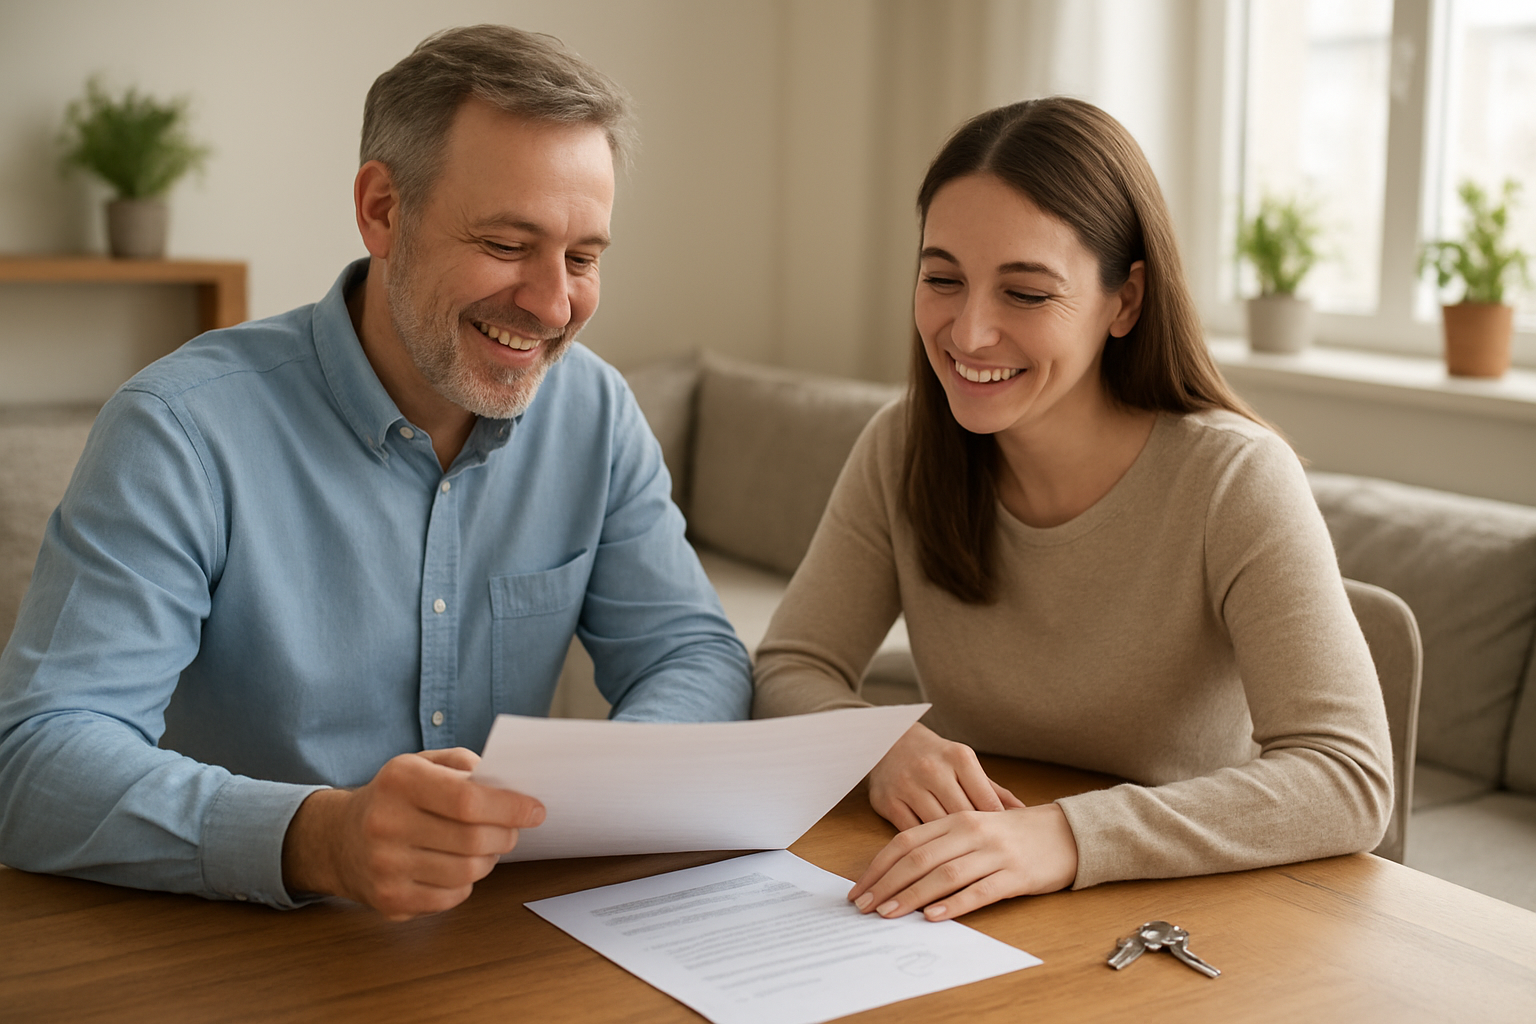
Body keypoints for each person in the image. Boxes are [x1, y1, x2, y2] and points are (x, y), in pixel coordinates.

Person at [0, 26, 751, 919]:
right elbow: (36, 759)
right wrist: (319, 838)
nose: (554, 305)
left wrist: (607, 787)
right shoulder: (178, 430)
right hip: (239, 942)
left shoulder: (594, 412)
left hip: (499, 938)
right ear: (383, 210)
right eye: (507, 243)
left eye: (583, 257)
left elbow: (693, 654)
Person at [753, 97, 1393, 923]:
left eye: (1025, 293)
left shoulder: (1234, 479)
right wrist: (877, 743)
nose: (969, 333)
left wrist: (1066, 836)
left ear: (1125, 301)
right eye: (942, 279)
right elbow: (788, 667)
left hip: (1179, 909)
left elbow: (1347, 777)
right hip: (977, 894)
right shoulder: (902, 446)